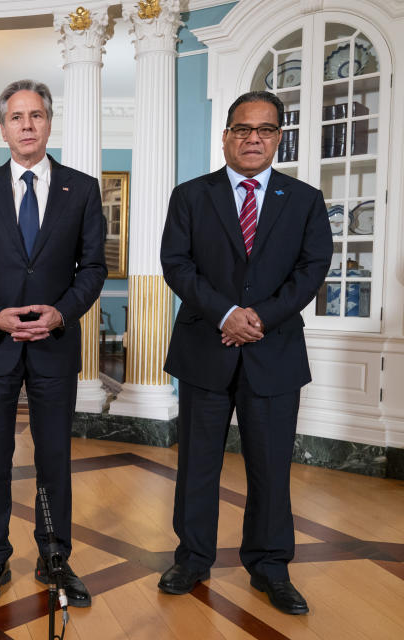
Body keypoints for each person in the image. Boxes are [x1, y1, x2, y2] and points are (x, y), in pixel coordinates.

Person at [158, 90, 332, 615]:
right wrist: (226, 314)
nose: (253, 138)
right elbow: (176, 263)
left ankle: (271, 567)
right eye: (242, 129)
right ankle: (192, 558)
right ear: (226, 135)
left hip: (273, 351)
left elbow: (312, 268)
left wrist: (260, 319)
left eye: (265, 130)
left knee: (271, 467)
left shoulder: (303, 199)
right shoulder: (191, 195)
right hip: (205, 349)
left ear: (278, 137)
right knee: (197, 466)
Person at [0, 79, 106, 607]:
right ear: (2, 127)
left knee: (55, 455)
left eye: (36, 115)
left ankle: (54, 555)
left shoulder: (81, 189)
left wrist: (61, 312)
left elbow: (94, 268)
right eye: (17, 117)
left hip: (54, 344)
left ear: (49, 122)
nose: (27, 125)